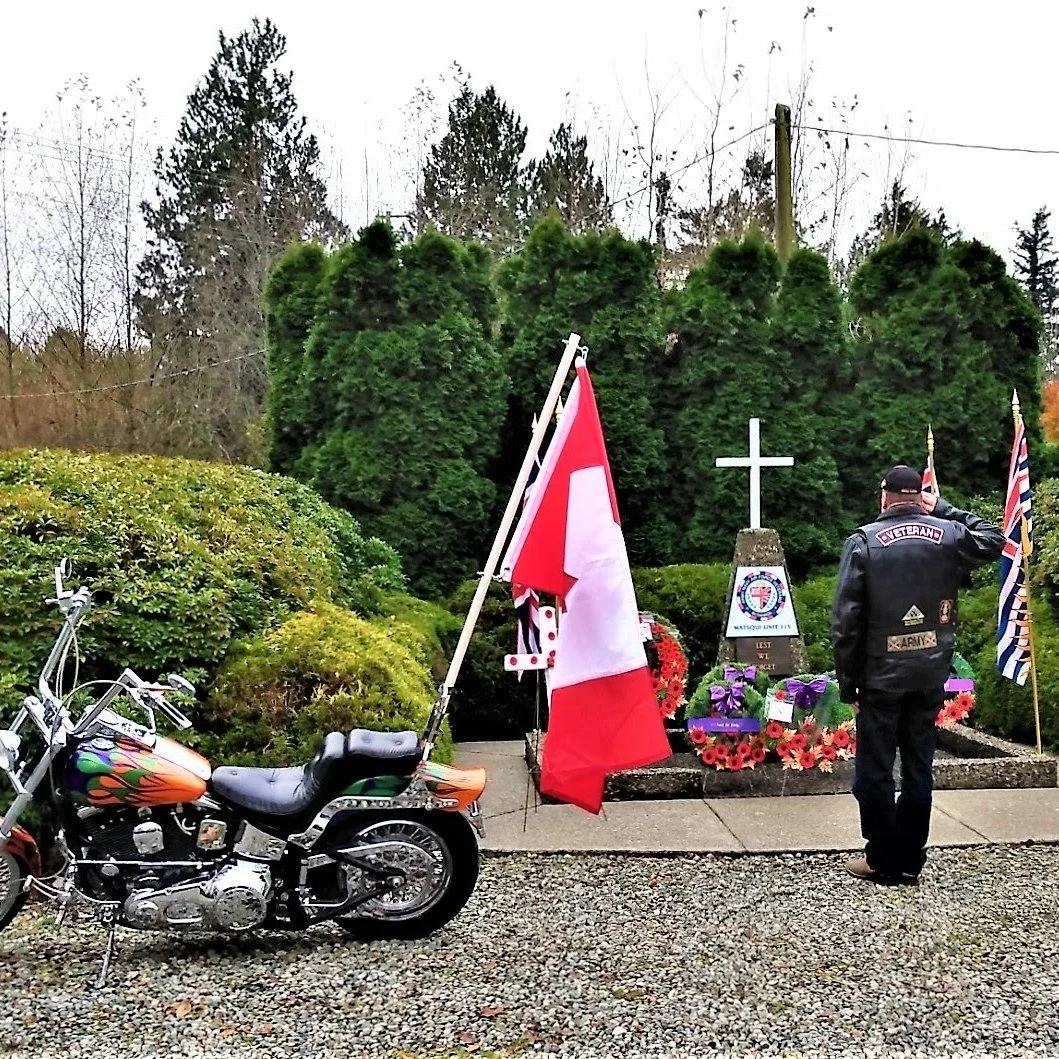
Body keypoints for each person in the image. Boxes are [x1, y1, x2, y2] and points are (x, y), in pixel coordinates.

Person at [831, 464, 1004, 884]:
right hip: (929, 672)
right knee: (918, 767)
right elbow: (995, 540)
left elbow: (845, 622)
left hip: (879, 678)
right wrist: (943, 507)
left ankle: (880, 858)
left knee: (874, 771)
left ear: (885, 495)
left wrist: (848, 681)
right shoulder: (947, 534)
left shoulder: (864, 542)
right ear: (920, 495)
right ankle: (910, 858)